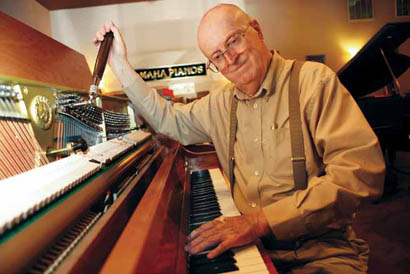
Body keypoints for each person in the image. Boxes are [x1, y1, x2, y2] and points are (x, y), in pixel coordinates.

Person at [94, 4, 385, 273]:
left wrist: (259, 222)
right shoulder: (219, 103)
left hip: (321, 252)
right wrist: (120, 64)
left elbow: (359, 175)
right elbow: (167, 120)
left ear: (257, 31)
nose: (230, 59)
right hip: (252, 249)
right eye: (217, 56)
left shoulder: (314, 82)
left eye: (233, 41)